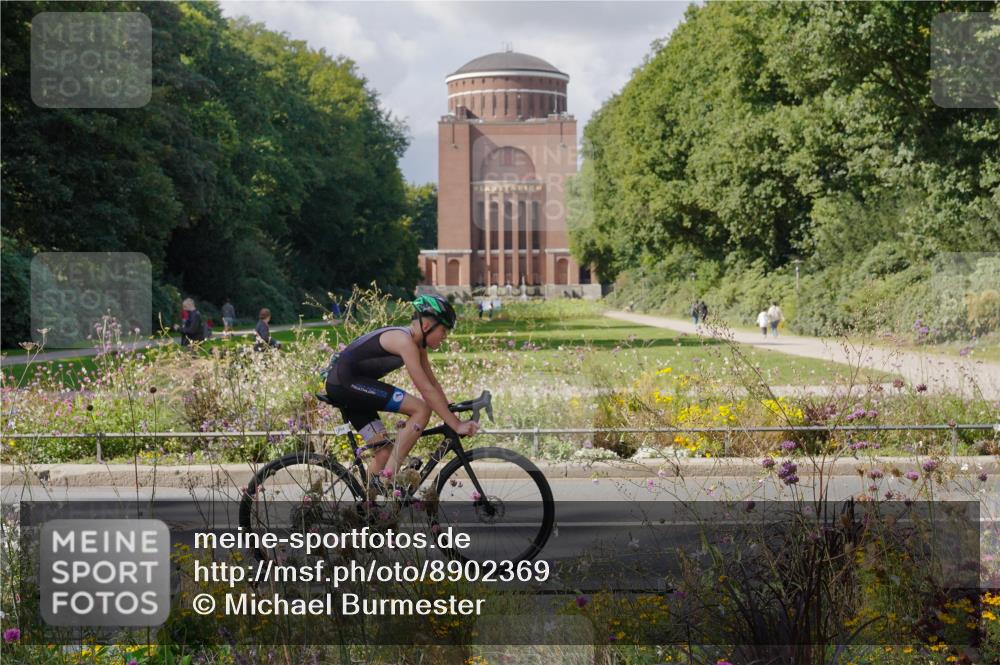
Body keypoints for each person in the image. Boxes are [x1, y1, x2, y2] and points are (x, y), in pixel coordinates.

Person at [324, 295, 479, 490]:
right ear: (426, 327)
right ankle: (387, 479)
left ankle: (368, 510)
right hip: (345, 385)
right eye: (444, 330)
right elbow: (424, 389)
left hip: (349, 387)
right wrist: (455, 425)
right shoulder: (404, 342)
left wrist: (450, 412)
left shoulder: (417, 345)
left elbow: (432, 383)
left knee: (384, 453)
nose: (445, 336)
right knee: (421, 410)